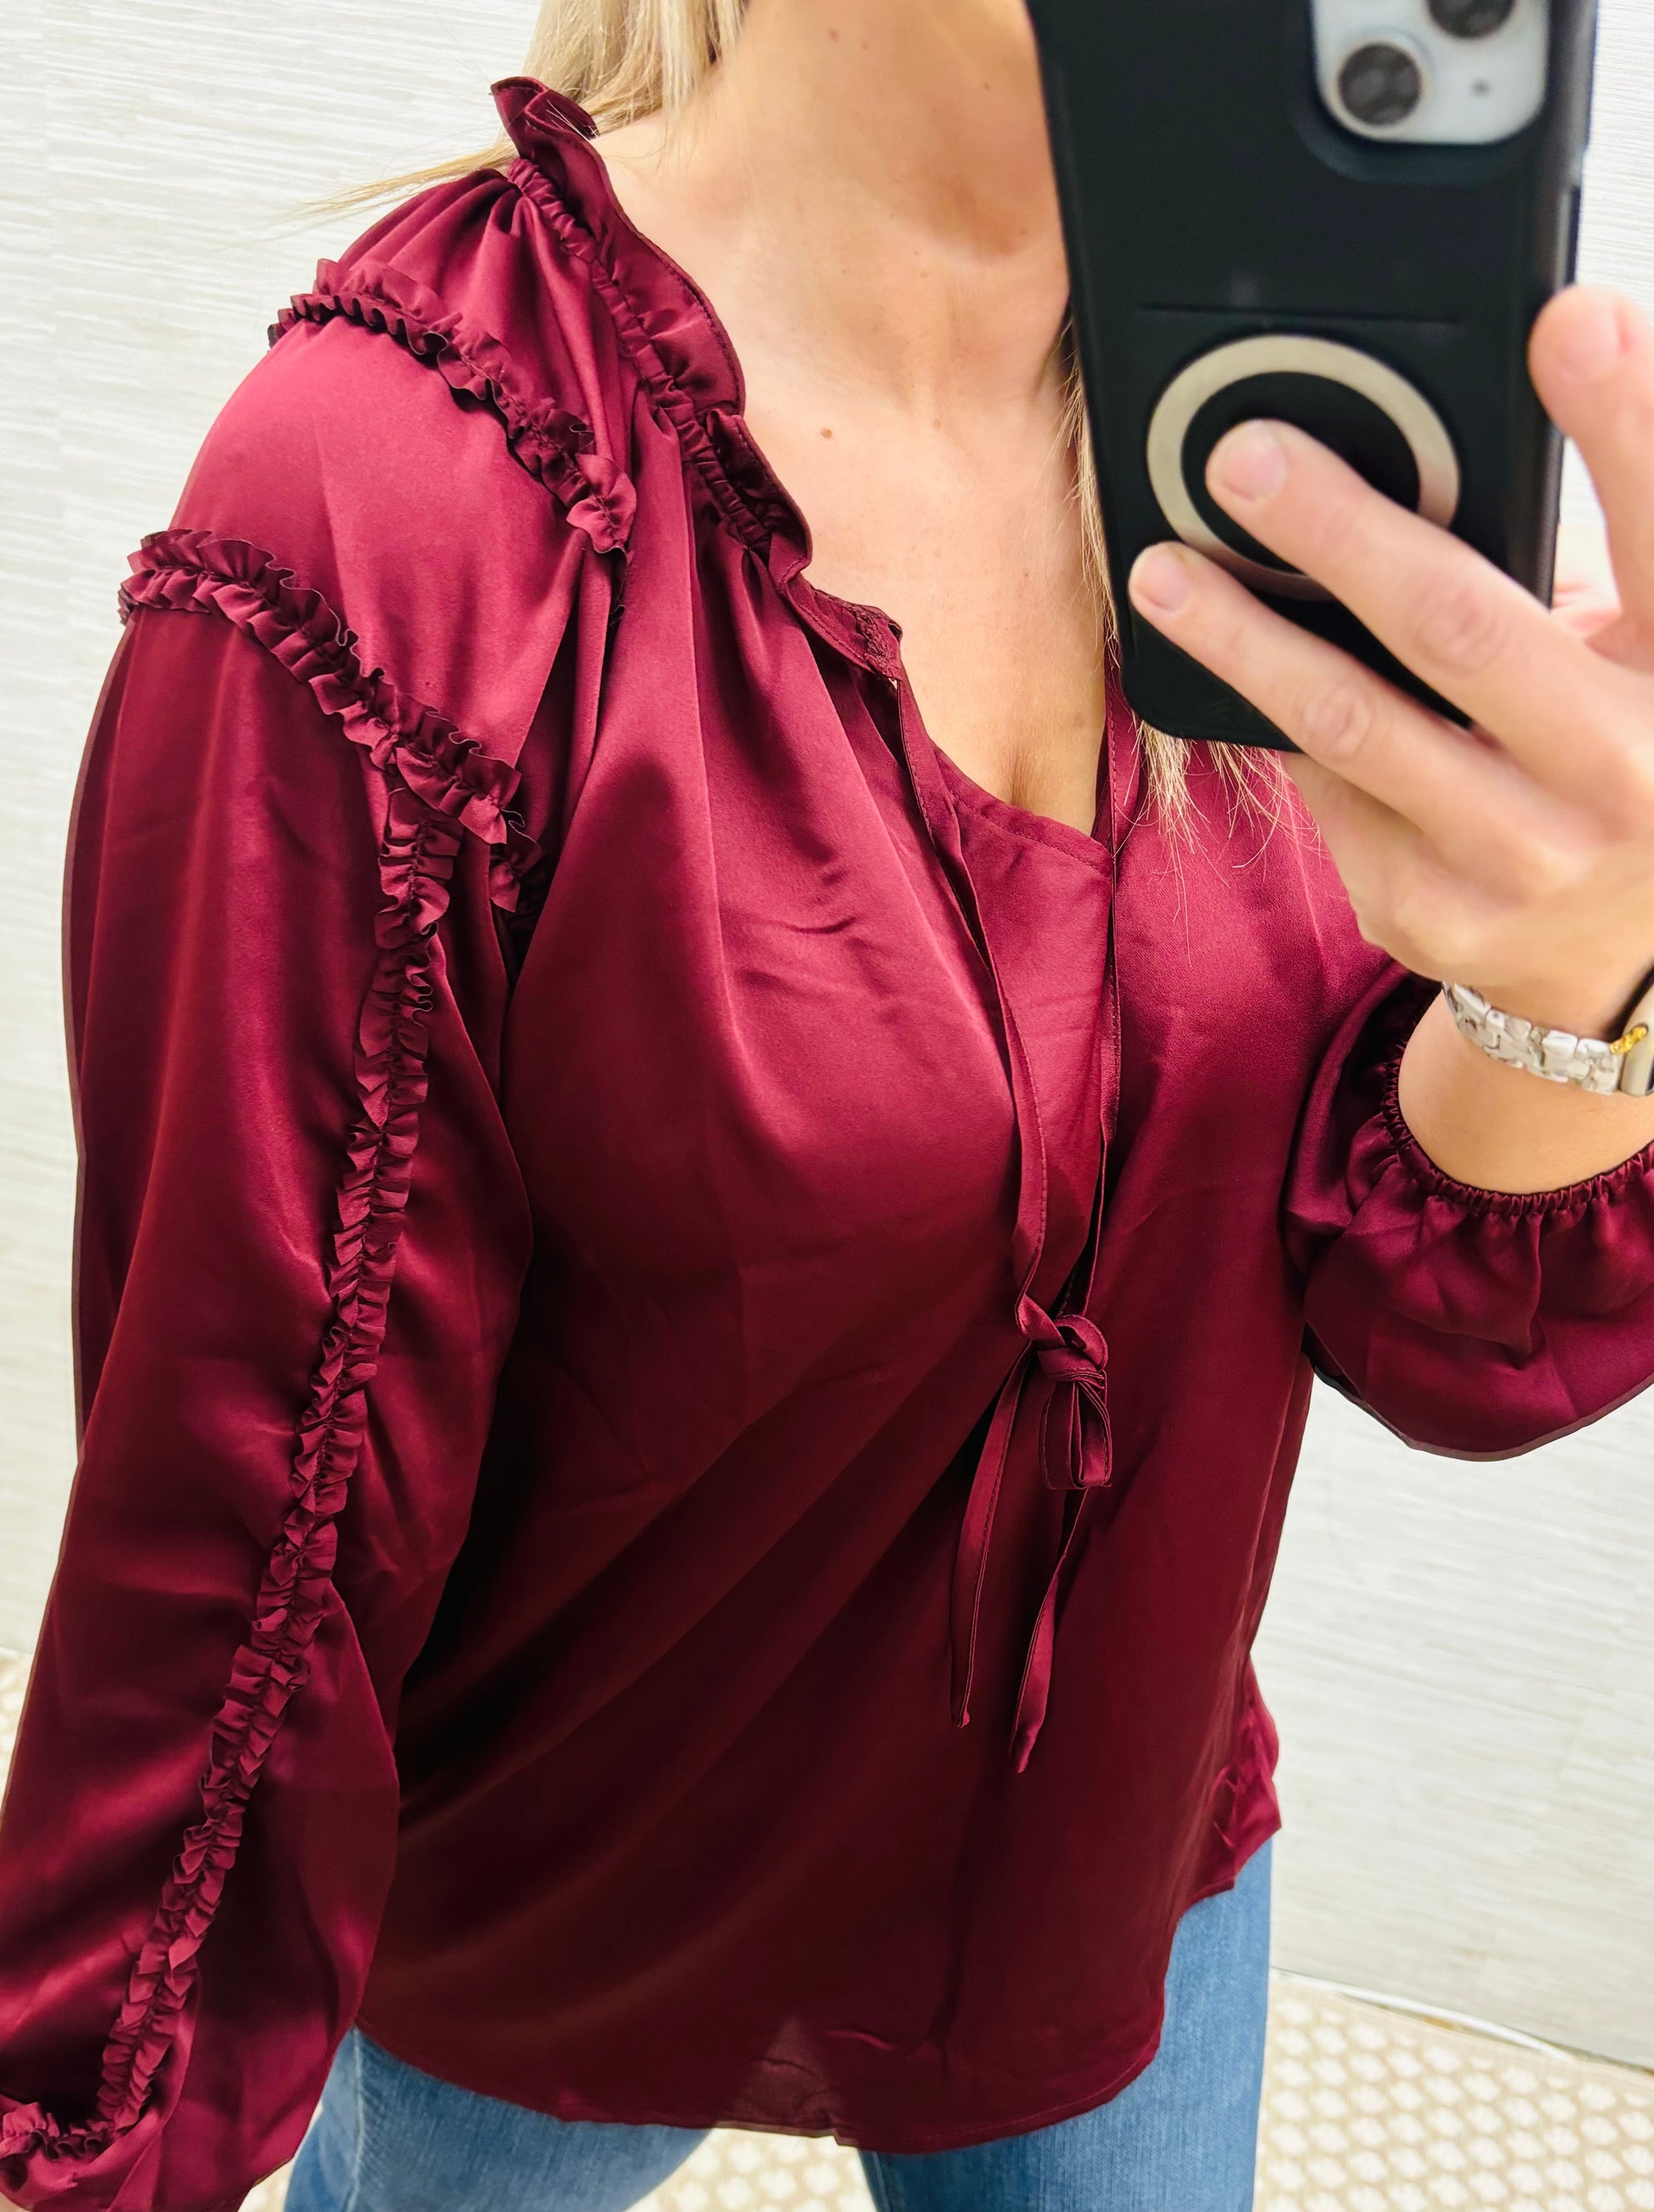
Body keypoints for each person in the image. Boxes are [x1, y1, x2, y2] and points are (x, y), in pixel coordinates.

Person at [5, 2, 1654, 2207]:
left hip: (1107, 1858)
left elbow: (1413, 1314)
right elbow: (256, 1506)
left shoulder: (1285, 438)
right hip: (576, 1895)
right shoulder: (407, 513)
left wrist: (1584, 986)